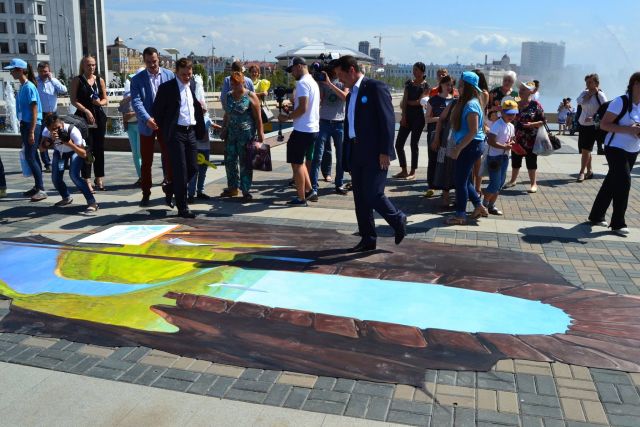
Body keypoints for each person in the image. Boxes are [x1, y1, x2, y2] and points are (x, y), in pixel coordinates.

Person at [334, 55, 407, 251]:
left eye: (341, 75)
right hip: (356, 151)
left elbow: (388, 121)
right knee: (360, 197)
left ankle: (398, 218)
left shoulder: (375, 87)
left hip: (375, 152)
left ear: (351, 70)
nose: (339, 80)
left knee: (374, 194)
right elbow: (350, 125)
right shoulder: (351, 95)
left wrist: (385, 151)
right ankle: (368, 238)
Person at [152, 58, 206, 219]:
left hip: (190, 132)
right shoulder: (167, 88)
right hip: (176, 133)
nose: (186, 77)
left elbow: (194, 106)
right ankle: (183, 208)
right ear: (176, 72)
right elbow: (157, 111)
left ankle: (171, 188)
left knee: (193, 167)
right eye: (183, 74)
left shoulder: (193, 85)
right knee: (181, 170)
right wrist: (166, 128)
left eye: (189, 74)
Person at [588, 72, 640, 236]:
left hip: (633, 148)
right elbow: (604, 125)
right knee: (624, 181)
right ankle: (618, 222)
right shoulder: (620, 102)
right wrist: (629, 129)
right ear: (634, 84)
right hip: (615, 147)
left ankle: (596, 215)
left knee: (612, 181)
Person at [130, 47, 176, 207]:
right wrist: (147, 118)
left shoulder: (169, 75)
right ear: (144, 61)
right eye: (148, 62)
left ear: (159, 60)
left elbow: (174, 99)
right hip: (147, 125)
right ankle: (146, 193)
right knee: (146, 162)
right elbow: (136, 102)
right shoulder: (137, 79)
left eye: (154, 61)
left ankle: (169, 193)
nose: (152, 65)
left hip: (165, 125)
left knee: (169, 159)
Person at [445, 71, 487, 225]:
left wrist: (458, 148)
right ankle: (478, 205)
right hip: (470, 145)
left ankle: (460, 215)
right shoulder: (470, 102)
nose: (458, 88)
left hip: (469, 146)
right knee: (463, 179)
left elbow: (473, 131)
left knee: (460, 182)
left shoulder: (471, 105)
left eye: (461, 86)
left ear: (468, 87)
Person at [277, 57, 320, 206]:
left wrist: (287, 116)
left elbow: (303, 108)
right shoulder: (313, 82)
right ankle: (309, 191)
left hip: (302, 129)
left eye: (293, 69)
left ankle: (301, 198)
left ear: (300, 66)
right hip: (312, 128)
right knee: (300, 163)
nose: (292, 73)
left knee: (297, 164)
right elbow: (306, 106)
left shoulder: (302, 83)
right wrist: (293, 108)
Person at [4, 58, 46, 201]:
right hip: (26, 124)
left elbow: (35, 111)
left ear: (20, 70)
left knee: (30, 156)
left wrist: (32, 131)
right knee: (32, 156)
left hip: (31, 125)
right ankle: (37, 186)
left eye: (12, 70)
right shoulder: (23, 86)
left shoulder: (29, 87)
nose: (11, 73)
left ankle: (41, 188)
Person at [220, 71, 264, 202]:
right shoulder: (228, 96)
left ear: (243, 82)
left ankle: (246, 190)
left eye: (237, 84)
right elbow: (227, 114)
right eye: (232, 84)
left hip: (246, 136)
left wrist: (261, 134)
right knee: (230, 162)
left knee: (245, 163)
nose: (234, 87)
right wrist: (223, 129)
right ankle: (232, 188)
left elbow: (258, 118)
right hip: (231, 135)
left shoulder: (251, 96)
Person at [41, 114, 98, 213]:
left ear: (62, 123)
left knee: (74, 175)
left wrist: (69, 143)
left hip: (75, 151)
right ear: (48, 129)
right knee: (56, 177)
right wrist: (50, 141)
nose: (56, 130)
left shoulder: (73, 130)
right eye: (52, 129)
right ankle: (66, 197)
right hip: (60, 154)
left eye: (58, 127)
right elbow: (41, 149)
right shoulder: (47, 132)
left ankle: (92, 202)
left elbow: (83, 154)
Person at [309, 62, 349, 200]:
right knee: (318, 157)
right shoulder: (320, 83)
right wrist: (317, 83)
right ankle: (313, 188)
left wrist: (329, 84)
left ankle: (339, 184)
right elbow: (318, 101)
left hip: (339, 123)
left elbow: (345, 97)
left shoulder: (343, 82)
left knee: (340, 156)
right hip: (324, 122)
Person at [70, 55, 108, 193]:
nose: (91, 67)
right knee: (86, 149)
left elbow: (105, 99)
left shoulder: (99, 80)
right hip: (82, 117)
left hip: (98, 117)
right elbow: (73, 100)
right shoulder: (77, 80)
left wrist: (100, 103)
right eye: (88, 65)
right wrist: (86, 110)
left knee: (99, 148)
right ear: (83, 66)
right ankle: (86, 179)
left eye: (93, 65)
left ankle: (99, 177)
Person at [503, 81, 545, 193]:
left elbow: (542, 122)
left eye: (523, 90)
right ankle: (512, 180)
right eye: (520, 89)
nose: (520, 91)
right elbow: (506, 115)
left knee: (531, 161)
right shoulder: (514, 103)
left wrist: (531, 125)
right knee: (515, 161)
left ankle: (533, 184)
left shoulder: (535, 105)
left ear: (530, 92)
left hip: (531, 139)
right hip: (516, 137)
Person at [393, 62, 429, 180]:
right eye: (414, 69)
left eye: (417, 70)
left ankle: (413, 171)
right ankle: (403, 170)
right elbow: (405, 99)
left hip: (419, 117)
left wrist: (408, 102)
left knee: (414, 144)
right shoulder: (409, 84)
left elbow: (419, 102)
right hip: (407, 116)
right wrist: (403, 116)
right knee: (398, 144)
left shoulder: (426, 86)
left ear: (422, 71)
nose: (414, 72)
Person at [482, 99, 517, 216]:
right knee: (495, 183)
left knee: (500, 183)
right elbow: (491, 141)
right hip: (494, 158)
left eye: (513, 113)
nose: (511, 116)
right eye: (509, 113)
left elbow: (512, 139)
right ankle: (484, 205)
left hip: (505, 157)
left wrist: (512, 143)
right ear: (502, 113)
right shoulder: (497, 124)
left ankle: (491, 205)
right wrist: (504, 146)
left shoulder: (511, 126)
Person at [424, 75, 455, 197]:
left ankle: (445, 187)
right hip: (434, 134)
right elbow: (427, 119)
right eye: (447, 84)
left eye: (451, 85)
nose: (449, 87)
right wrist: (441, 119)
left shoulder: (454, 100)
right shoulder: (433, 100)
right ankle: (431, 185)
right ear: (441, 85)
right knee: (433, 159)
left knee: (446, 161)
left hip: (449, 135)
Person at [187, 75, 216, 203]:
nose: (203, 110)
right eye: (201, 109)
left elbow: (215, 125)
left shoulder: (207, 119)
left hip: (206, 148)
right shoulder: (194, 120)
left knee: (203, 171)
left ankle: (200, 191)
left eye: (204, 109)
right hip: (197, 148)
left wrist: (225, 129)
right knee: (194, 172)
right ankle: (191, 194)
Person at [36, 61, 67, 173]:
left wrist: (52, 80)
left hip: (54, 114)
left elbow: (64, 90)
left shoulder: (53, 82)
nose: (43, 73)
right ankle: (47, 163)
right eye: (41, 71)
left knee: (58, 137)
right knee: (42, 139)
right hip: (41, 115)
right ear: (38, 71)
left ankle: (60, 160)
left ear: (49, 71)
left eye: (45, 71)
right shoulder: (35, 82)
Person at [576, 74, 607, 181]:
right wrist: (589, 95)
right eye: (586, 82)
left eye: (590, 82)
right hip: (582, 124)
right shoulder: (584, 93)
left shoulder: (601, 95)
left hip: (593, 126)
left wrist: (593, 117)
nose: (587, 84)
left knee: (585, 149)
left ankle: (581, 172)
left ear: (596, 83)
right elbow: (579, 101)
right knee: (586, 149)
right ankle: (589, 171)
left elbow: (605, 111)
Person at [119, 69, 145, 185]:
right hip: (130, 125)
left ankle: (145, 176)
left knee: (141, 152)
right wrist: (126, 100)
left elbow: (148, 109)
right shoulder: (129, 91)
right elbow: (122, 107)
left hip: (140, 125)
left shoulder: (145, 91)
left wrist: (133, 114)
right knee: (135, 153)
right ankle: (141, 177)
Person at [249, 64, 272, 132]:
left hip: (259, 107)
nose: (254, 73)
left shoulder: (261, 82)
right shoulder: (247, 82)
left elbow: (265, 92)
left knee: (261, 125)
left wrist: (265, 93)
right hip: (249, 107)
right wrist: (260, 94)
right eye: (252, 72)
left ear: (258, 73)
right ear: (250, 72)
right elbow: (247, 94)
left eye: (256, 72)